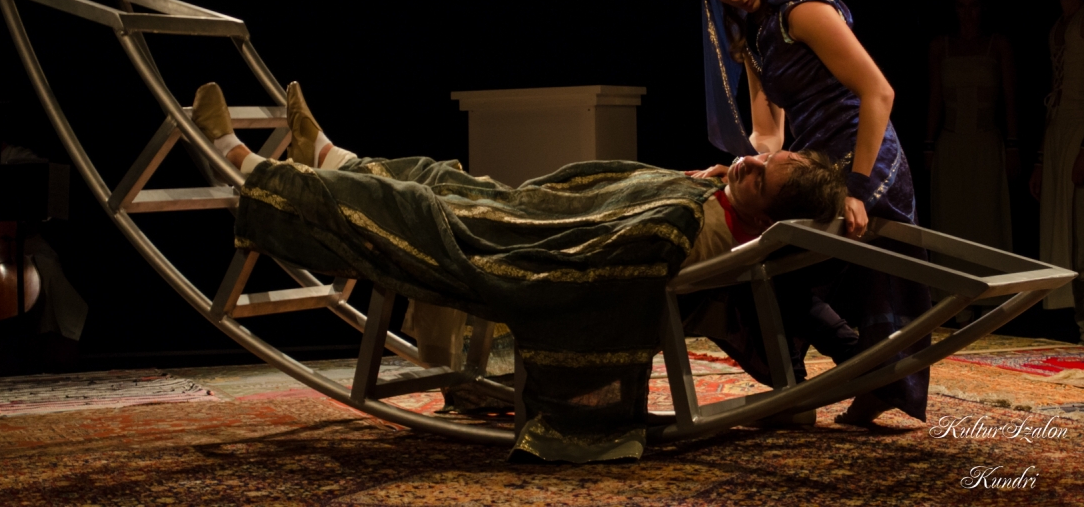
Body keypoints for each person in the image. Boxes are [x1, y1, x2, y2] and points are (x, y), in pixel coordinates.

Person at [191, 81, 847, 462]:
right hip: (532, 218)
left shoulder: (699, 225)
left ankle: (245, 165)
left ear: (766, 212)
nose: (749, 162)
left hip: (528, 249)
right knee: (444, 177)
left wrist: (682, 191)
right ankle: (330, 156)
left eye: (760, 177)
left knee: (415, 209)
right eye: (765, 159)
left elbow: (616, 251)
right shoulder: (724, 200)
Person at [674, 0, 931, 426]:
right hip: (810, 164)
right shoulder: (750, 32)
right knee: (761, 265)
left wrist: (856, 187)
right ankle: (805, 384)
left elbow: (879, 92)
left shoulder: (802, 12)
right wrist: (737, 168)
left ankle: (857, 379)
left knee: (839, 276)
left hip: (863, 158)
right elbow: (768, 133)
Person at [925, 0, 1017, 274]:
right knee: (952, 218)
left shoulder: (997, 44)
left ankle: (992, 290)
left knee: (987, 218)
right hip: (951, 144)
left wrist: (1013, 145)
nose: (967, 13)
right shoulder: (940, 46)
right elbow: (935, 97)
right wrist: (928, 144)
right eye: (961, 6)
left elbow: (1010, 97)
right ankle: (953, 291)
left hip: (986, 142)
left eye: (973, 5)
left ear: (983, 8)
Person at [1029, 0, 1084, 342]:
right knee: (1066, 235)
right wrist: (1040, 159)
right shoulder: (1057, 26)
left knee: (1082, 231)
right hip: (1059, 132)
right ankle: (1080, 325)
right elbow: (1055, 88)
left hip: (1081, 130)